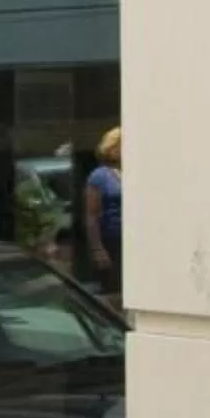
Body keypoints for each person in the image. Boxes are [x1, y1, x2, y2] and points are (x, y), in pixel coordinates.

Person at [84, 125, 123, 300]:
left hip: (132, 241)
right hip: (111, 241)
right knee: (113, 290)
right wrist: (98, 249)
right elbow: (92, 214)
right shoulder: (99, 176)